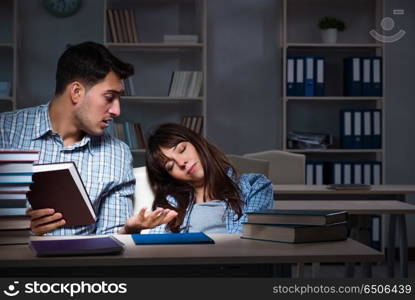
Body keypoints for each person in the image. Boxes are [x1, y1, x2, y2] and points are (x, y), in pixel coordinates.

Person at [0, 41, 176, 235]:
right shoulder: (5, 131)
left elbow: (110, 239)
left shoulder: (117, 154)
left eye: (119, 98)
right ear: (76, 92)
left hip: (85, 264)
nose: (117, 111)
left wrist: (127, 231)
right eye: (109, 97)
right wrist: (18, 230)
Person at [121, 123, 273, 234]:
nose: (181, 162)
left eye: (182, 149)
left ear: (197, 142)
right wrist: (131, 229)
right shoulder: (171, 203)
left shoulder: (255, 186)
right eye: (170, 166)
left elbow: (251, 242)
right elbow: (156, 249)